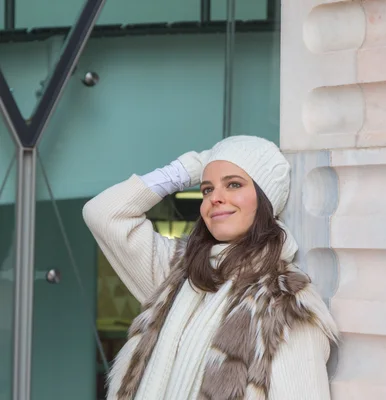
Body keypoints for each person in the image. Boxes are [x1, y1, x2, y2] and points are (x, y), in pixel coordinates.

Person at [83, 135, 339, 400]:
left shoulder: (283, 305)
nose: (215, 198)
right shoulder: (177, 274)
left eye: (234, 184)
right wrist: (191, 167)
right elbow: (103, 213)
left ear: (266, 199)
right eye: (207, 189)